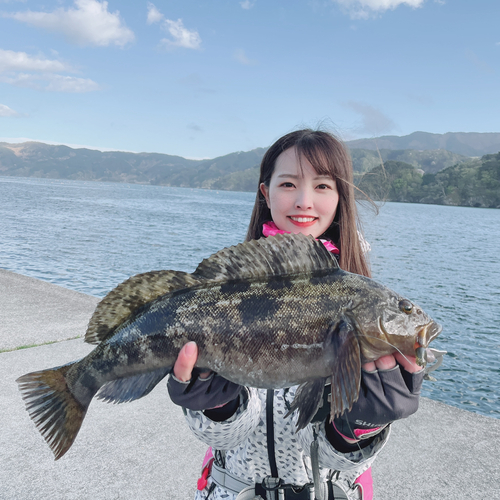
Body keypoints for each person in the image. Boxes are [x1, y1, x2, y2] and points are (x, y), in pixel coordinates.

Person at [167, 129, 425, 500]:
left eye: (323, 187)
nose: (304, 201)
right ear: (265, 192)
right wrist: (217, 404)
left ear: (340, 198)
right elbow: (219, 437)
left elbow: (339, 460)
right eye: (288, 183)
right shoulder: (227, 292)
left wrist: (362, 423)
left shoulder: (360, 299)